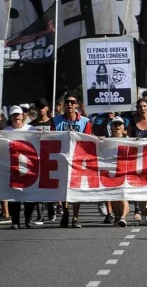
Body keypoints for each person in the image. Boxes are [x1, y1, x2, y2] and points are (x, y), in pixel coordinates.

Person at [53, 94, 91, 228]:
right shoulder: (55, 121)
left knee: (77, 189)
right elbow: (51, 139)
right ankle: (65, 211)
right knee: (64, 188)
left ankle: (75, 217)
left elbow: (88, 140)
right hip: (62, 159)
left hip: (78, 160)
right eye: (67, 102)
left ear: (77, 105)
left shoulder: (85, 121)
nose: (69, 104)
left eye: (72, 102)